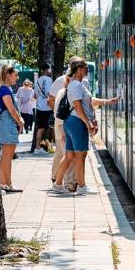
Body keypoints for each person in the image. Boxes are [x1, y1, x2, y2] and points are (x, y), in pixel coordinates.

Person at [51, 59, 118, 195]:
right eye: (86, 67)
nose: (87, 69)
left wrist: (107, 102)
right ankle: (82, 186)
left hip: (72, 122)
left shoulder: (77, 84)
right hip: (77, 123)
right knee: (80, 155)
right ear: (79, 68)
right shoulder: (76, 85)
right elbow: (77, 106)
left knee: (70, 155)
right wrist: (88, 123)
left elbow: (88, 101)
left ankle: (57, 184)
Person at [0, 64, 24, 192]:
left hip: (7, 124)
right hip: (8, 124)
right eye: (15, 75)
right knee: (7, 156)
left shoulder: (5, 89)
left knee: (6, 156)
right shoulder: (5, 90)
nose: (17, 78)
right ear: (8, 75)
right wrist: (20, 121)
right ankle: (6, 183)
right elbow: (11, 110)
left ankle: (4, 183)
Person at [50, 60, 76, 191]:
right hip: (64, 126)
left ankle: (56, 177)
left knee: (61, 152)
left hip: (60, 125)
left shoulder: (62, 91)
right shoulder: (67, 92)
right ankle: (67, 183)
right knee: (68, 155)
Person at [32, 62, 53, 155]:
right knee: (51, 127)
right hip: (48, 107)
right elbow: (49, 94)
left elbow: (35, 95)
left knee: (40, 128)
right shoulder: (49, 80)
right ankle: (49, 147)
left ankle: (37, 147)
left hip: (40, 107)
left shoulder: (38, 80)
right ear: (48, 70)